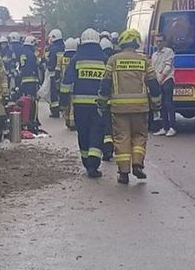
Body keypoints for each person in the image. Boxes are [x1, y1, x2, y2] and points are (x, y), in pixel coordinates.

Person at [98, 29, 161, 184]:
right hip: (141, 108)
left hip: (119, 109)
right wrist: (156, 103)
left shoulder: (113, 60)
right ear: (136, 43)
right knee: (139, 136)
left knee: (121, 138)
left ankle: (123, 173)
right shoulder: (144, 61)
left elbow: (105, 84)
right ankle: (138, 163)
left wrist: (102, 101)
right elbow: (154, 84)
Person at [62, 28, 109, 178]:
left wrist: (63, 102)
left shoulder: (76, 59)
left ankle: (85, 160)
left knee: (83, 132)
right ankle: (93, 165)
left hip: (80, 105)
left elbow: (67, 82)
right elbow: (109, 82)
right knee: (97, 132)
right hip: (99, 105)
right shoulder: (104, 59)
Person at [151, 34, 177, 137]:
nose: (158, 43)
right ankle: (164, 127)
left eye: (160, 41)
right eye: (157, 41)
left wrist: (162, 77)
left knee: (168, 103)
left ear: (164, 42)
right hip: (158, 81)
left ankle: (172, 127)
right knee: (161, 104)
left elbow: (168, 65)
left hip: (167, 79)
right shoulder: (154, 55)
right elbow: (153, 68)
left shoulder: (169, 52)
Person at [18, 35, 43, 132]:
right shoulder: (32, 55)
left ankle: (26, 118)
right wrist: (39, 80)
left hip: (24, 81)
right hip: (32, 81)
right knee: (33, 101)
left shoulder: (22, 53)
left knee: (25, 101)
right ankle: (33, 120)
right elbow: (36, 67)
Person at [57, 37, 80, 130]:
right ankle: (72, 122)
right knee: (73, 104)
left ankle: (68, 121)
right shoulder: (77, 58)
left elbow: (58, 70)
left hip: (64, 83)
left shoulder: (62, 58)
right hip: (75, 84)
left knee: (67, 104)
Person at [45, 29, 64, 118]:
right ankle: (63, 109)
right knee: (62, 92)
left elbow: (51, 63)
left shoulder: (53, 49)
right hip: (63, 74)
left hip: (54, 74)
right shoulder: (64, 47)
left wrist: (47, 64)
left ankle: (55, 112)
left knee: (54, 94)